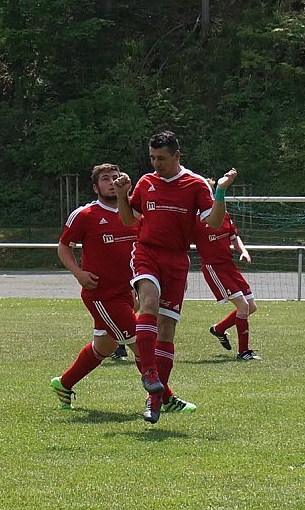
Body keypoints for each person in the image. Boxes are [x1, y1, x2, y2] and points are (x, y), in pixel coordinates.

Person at [114, 131, 237, 423]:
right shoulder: (146, 182)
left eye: (162, 159)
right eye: (152, 158)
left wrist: (219, 191)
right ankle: (149, 372)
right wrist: (122, 196)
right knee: (149, 303)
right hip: (146, 252)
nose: (157, 164)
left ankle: (155, 399)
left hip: (177, 259)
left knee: (167, 329)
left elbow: (215, 221)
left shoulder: (194, 184)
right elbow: (129, 220)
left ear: (177, 156)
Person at [51, 164, 141, 409]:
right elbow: (63, 246)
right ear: (95, 187)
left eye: (115, 177)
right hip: (103, 295)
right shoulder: (86, 214)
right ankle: (164, 398)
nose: (111, 182)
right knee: (141, 344)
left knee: (105, 346)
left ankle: (64, 383)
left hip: (127, 292)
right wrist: (79, 274)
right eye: (105, 179)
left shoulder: (134, 212)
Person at [194, 202, 262, 361]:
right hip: (213, 268)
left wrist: (244, 252)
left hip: (229, 266)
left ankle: (219, 329)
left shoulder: (223, 214)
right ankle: (244, 352)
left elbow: (234, 237)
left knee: (251, 307)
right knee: (243, 306)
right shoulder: (195, 220)